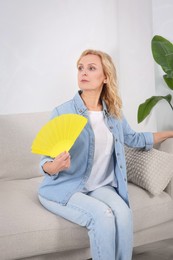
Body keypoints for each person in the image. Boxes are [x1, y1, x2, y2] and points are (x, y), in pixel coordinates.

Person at [38, 49, 173, 260]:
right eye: (81, 68)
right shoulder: (63, 112)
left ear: (105, 77)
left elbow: (134, 139)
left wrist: (170, 133)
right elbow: (44, 160)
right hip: (66, 186)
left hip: (100, 187)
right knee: (102, 216)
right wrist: (53, 166)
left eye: (91, 68)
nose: (84, 72)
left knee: (124, 214)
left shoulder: (114, 112)